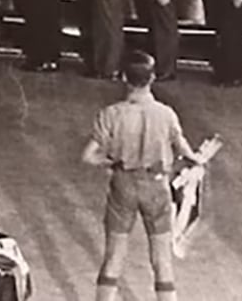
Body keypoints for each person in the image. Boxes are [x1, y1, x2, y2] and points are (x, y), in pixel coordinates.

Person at [80, 51, 216, 301]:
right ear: (152, 78)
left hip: (123, 185)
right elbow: (182, 147)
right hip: (156, 187)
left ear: (124, 78)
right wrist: (196, 159)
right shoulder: (166, 114)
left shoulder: (110, 114)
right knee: (161, 261)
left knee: (113, 258)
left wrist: (111, 162)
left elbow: (88, 156)